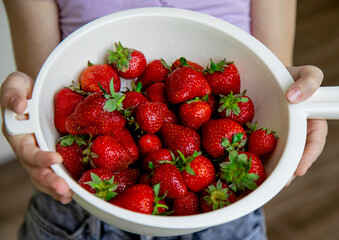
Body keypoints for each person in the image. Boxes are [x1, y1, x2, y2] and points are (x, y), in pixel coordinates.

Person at [1, 0, 327, 239]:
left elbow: (272, 71)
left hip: (224, 209)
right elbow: (43, 85)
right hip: (78, 206)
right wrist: (27, 113)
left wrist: (294, 101)